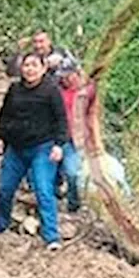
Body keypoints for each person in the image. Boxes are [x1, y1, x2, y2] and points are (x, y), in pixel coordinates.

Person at [0, 52, 68, 250]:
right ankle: (0, 225)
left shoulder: (51, 90)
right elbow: (5, 114)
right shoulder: (15, 89)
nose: (30, 69)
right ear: (21, 69)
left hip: (42, 147)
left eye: (34, 65)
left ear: (43, 68)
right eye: (26, 66)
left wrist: (59, 144)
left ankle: (51, 236)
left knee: (43, 190)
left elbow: (61, 119)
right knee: (5, 190)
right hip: (16, 148)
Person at [56, 62, 96, 212]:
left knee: (72, 173)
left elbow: (93, 116)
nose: (65, 79)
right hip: (58, 137)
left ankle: (73, 204)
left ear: (76, 74)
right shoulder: (57, 91)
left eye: (68, 76)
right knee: (52, 173)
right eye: (63, 77)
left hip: (77, 139)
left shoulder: (88, 92)